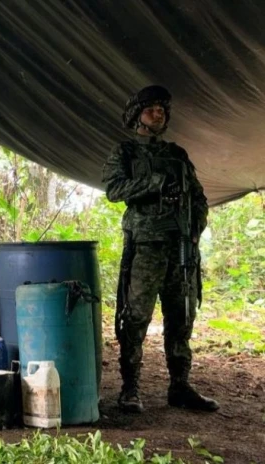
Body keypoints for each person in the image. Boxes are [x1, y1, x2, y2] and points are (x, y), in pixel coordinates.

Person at [102, 85, 219, 413]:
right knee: (137, 316)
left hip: (180, 247)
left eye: (162, 109)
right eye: (152, 108)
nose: (159, 113)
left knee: (182, 315)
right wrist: (155, 184)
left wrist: (195, 229)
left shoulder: (177, 155)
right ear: (137, 115)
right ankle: (130, 389)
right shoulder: (125, 152)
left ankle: (179, 386)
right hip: (146, 248)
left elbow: (198, 197)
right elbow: (114, 189)